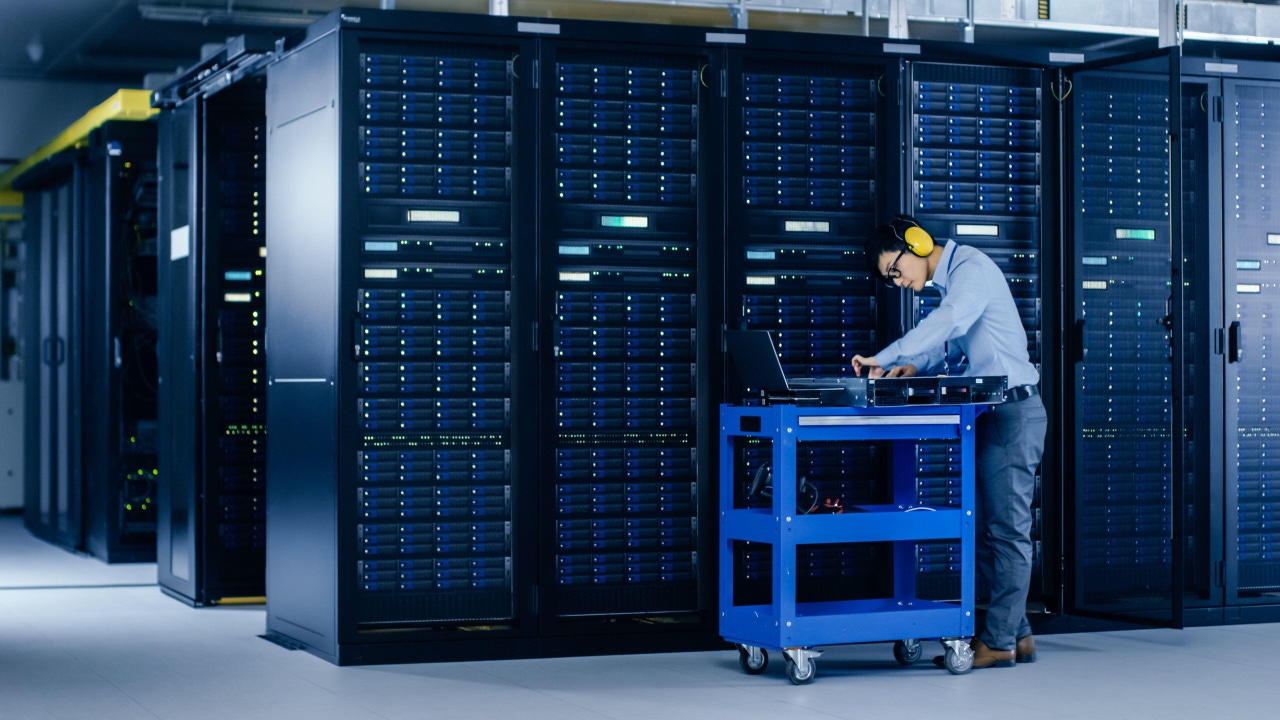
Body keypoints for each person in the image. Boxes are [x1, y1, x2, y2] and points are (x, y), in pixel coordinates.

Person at [851, 215, 1047, 670]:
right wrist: (914, 368)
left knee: (1008, 532)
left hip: (1013, 413)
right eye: (890, 279)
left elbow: (949, 322)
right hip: (993, 413)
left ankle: (998, 641)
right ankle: (1015, 635)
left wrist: (883, 356)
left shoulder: (971, 272)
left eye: (894, 271)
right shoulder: (957, 280)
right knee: (985, 530)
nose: (898, 282)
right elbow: (954, 347)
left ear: (916, 243)